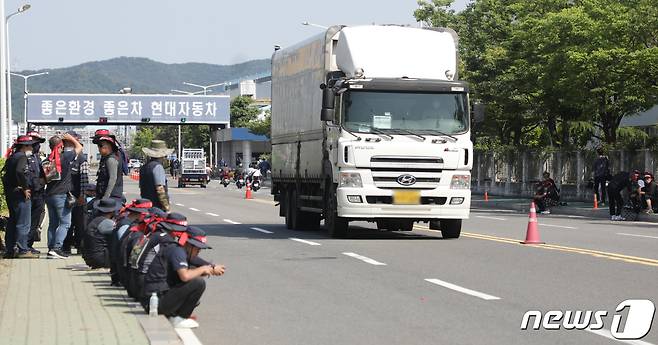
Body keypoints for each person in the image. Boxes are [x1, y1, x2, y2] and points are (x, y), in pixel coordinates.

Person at [142, 225, 225, 328]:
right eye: (197, 248)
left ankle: (175, 315)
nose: (199, 251)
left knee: (195, 275)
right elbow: (184, 276)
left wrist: (210, 267)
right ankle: (180, 318)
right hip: (154, 303)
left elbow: (195, 262)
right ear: (189, 245)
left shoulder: (178, 249)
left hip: (155, 300)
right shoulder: (178, 252)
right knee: (198, 283)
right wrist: (203, 269)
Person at [45, 133, 83, 259]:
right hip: (61, 195)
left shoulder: (46, 161)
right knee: (65, 223)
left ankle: (51, 248)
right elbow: (79, 148)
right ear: (60, 146)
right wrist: (70, 139)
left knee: (53, 224)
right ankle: (57, 248)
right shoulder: (65, 157)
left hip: (49, 194)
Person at [2, 135, 39, 259]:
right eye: (31, 145)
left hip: (11, 193)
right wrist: (25, 188)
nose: (32, 148)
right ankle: (22, 249)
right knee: (24, 222)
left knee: (13, 221)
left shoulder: (12, 157)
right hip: (20, 194)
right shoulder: (22, 157)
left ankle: (10, 249)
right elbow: (20, 171)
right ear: (24, 146)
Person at [63, 131, 89, 254]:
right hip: (65, 196)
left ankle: (80, 246)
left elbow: (84, 179)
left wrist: (82, 196)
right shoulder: (63, 156)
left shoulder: (81, 158)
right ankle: (65, 246)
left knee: (80, 224)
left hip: (78, 196)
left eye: (69, 142)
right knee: (66, 223)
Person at [82, 198, 119, 269]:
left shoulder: (95, 221)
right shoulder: (108, 223)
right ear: (112, 211)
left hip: (89, 258)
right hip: (101, 259)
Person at [26, 131, 47, 254]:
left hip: (39, 193)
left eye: (38, 142)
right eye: (35, 142)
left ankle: (29, 244)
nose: (37, 145)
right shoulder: (24, 156)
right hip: (29, 193)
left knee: (35, 220)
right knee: (26, 221)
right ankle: (23, 245)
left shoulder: (37, 156)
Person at [139, 140, 173, 212]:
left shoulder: (144, 167)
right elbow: (160, 190)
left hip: (145, 205)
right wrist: (166, 207)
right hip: (157, 207)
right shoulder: (158, 167)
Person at [95, 135, 124, 201]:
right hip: (106, 196)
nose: (99, 149)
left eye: (100, 146)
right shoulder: (106, 158)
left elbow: (113, 179)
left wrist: (106, 197)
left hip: (111, 197)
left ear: (108, 146)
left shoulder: (111, 159)